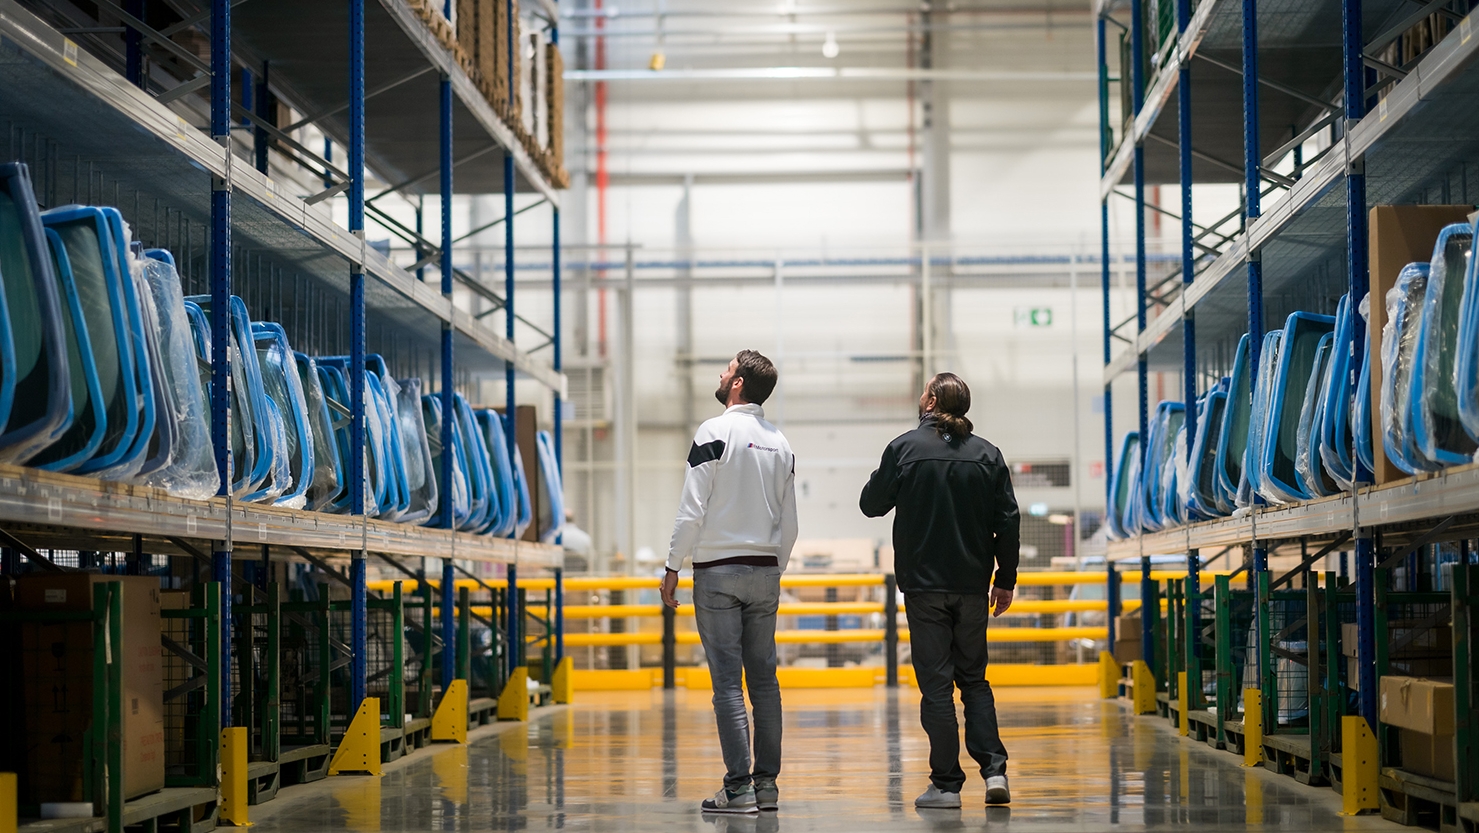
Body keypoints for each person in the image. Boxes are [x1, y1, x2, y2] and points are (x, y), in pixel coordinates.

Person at [859, 372, 1021, 809]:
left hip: (924, 589)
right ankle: (994, 772)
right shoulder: (988, 454)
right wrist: (1005, 579)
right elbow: (1008, 521)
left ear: (930, 400)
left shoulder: (905, 448)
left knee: (936, 688)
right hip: (972, 588)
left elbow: (871, 504)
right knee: (974, 682)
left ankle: (947, 786)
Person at [661, 349, 797, 815]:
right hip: (765, 572)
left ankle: (737, 790)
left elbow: (692, 510)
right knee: (765, 683)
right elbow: (790, 524)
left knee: (727, 686)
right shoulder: (781, 443)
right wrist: (772, 568)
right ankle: (767, 788)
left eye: (726, 369)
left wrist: (672, 565)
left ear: (736, 384)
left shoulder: (713, 431)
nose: (721, 374)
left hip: (718, 574)